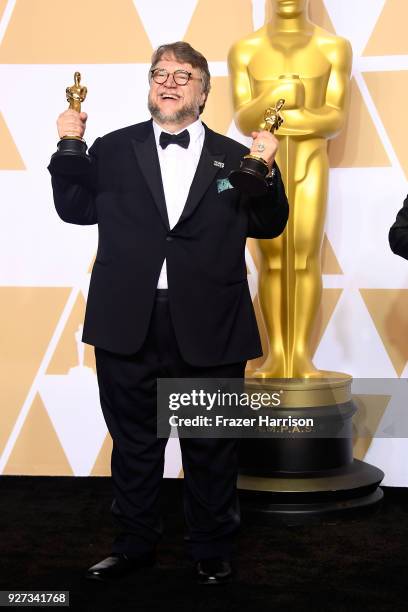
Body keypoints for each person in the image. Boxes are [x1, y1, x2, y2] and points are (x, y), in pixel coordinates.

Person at [49, 41, 288, 585]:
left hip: (211, 322)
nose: (170, 81)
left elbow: (269, 224)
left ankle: (211, 548)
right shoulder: (109, 149)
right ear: (150, 85)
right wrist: (68, 144)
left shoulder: (236, 155)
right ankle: (133, 544)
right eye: (161, 73)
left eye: (184, 75)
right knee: (134, 443)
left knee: (210, 445)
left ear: (204, 91)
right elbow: (75, 209)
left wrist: (269, 171)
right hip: (128, 320)